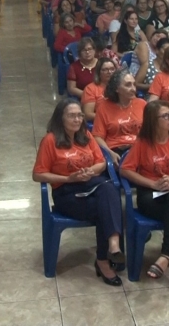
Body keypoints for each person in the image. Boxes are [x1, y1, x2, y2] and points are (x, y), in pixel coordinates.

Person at [32, 100, 125, 285]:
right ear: (61, 118)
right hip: (67, 193)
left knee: (108, 188)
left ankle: (111, 249)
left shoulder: (86, 135)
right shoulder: (50, 140)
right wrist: (68, 178)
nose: (77, 119)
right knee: (107, 208)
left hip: (91, 185)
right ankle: (105, 256)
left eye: (80, 115)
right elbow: (37, 175)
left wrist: (92, 171)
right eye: (72, 115)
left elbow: (100, 162)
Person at [119, 100, 169, 299]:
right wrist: (152, 184)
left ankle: (166, 256)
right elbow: (125, 169)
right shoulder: (143, 142)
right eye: (166, 116)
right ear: (153, 121)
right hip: (151, 196)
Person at [93, 70, 147, 164]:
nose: (133, 89)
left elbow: (151, 131)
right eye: (128, 85)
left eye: (134, 84)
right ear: (117, 88)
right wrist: (109, 153)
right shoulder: (104, 107)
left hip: (140, 147)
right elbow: (97, 136)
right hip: (116, 150)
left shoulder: (142, 104)